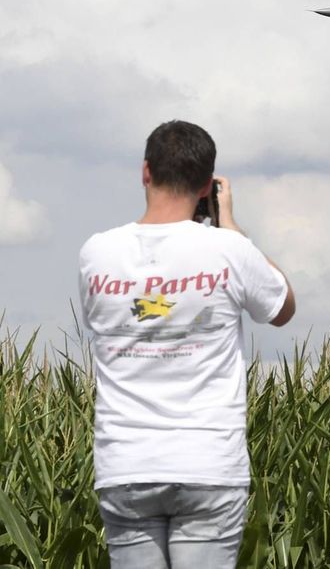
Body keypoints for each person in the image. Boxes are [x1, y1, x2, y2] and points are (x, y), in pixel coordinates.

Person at [78, 120, 296, 567]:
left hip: (127, 462)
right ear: (206, 187)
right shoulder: (228, 249)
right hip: (208, 463)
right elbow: (282, 307)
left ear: (145, 172)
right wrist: (231, 228)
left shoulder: (96, 253)